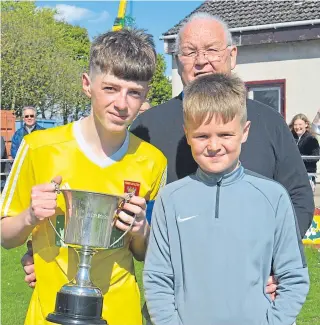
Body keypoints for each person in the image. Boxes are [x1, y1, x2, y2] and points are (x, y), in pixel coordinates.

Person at [1, 28, 167, 325]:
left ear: (146, 95)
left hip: (121, 313)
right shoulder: (38, 148)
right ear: (87, 84)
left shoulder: (153, 162)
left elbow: (147, 254)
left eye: (134, 93)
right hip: (50, 313)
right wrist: (30, 216)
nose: (121, 103)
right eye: (111, 88)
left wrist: (141, 230)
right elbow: (5, 237)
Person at [144, 73, 310, 325]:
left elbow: (294, 278)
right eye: (202, 136)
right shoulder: (170, 199)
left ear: (244, 132)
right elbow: (157, 278)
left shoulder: (273, 197)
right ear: (187, 134)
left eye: (225, 135)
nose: (213, 145)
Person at [131, 12, 314, 239]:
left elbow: (299, 197)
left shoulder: (269, 123)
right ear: (178, 60)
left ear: (232, 55)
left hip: (257, 268)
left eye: (212, 50)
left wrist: (274, 257)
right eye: (189, 51)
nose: (201, 60)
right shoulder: (147, 128)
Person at [289, 113, 320, 192]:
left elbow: (316, 157)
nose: (297, 127)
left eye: (300, 124)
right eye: (295, 124)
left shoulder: (311, 139)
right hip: (292, 175)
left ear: (306, 124)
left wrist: (299, 158)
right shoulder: (290, 138)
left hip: (307, 175)